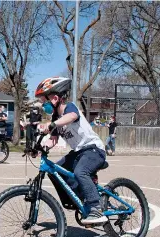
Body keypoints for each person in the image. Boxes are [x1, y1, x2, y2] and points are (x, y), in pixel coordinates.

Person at [35, 76, 108, 225]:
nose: (43, 106)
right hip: (78, 152)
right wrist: (40, 148)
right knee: (55, 171)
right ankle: (79, 199)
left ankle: (95, 207)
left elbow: (72, 116)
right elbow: (53, 139)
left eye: (44, 102)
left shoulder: (69, 108)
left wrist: (51, 124)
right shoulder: (56, 117)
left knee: (80, 172)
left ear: (55, 98)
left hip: (93, 149)